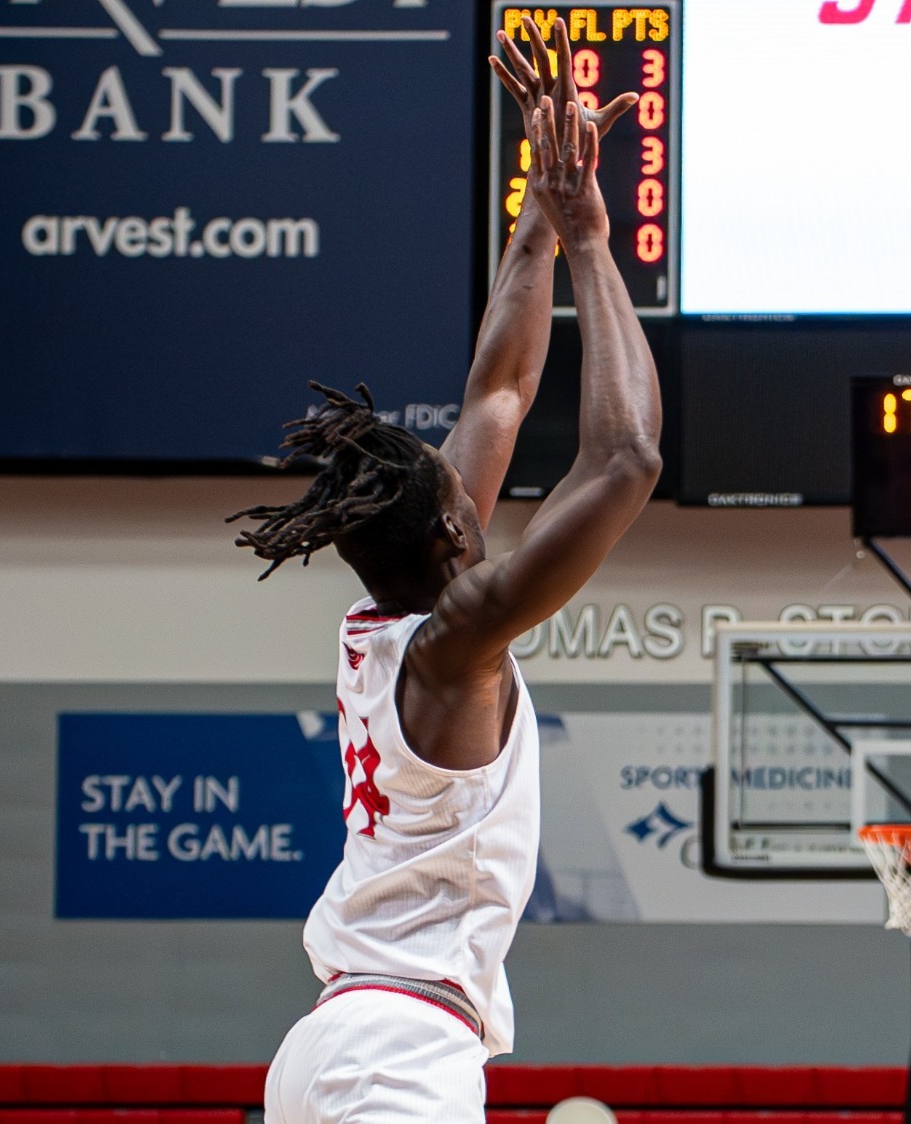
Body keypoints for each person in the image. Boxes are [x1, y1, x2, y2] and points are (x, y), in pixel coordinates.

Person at [233, 25, 658, 1123]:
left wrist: (534, 205)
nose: (472, 473)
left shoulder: (393, 615)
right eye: (461, 491)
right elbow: (624, 458)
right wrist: (593, 243)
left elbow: (499, 396)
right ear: (457, 541)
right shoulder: (453, 640)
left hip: (334, 1035)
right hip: (398, 1052)